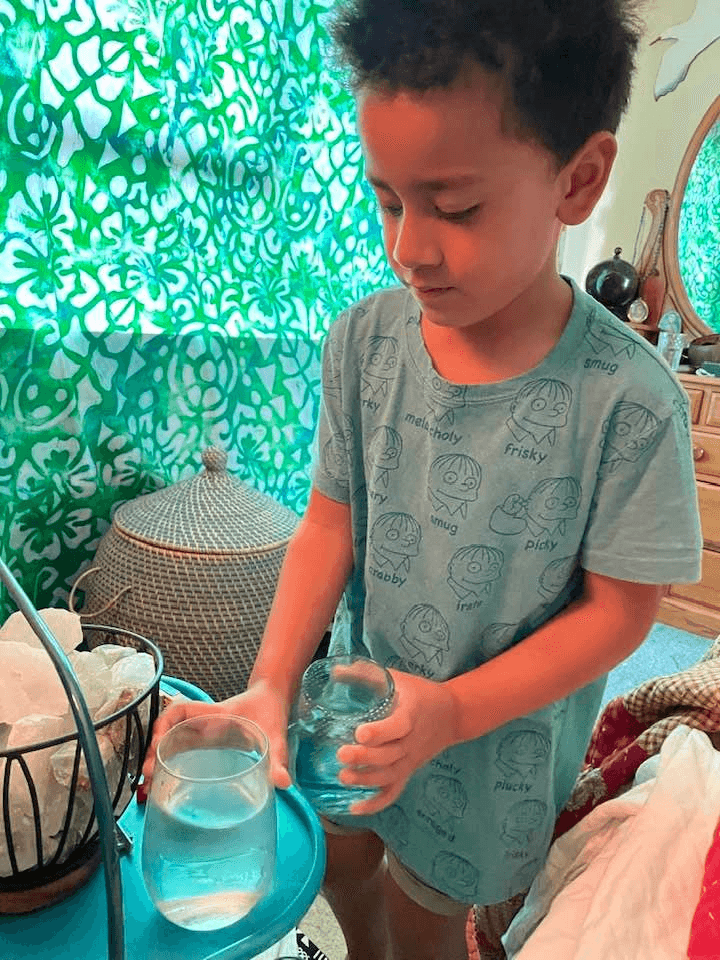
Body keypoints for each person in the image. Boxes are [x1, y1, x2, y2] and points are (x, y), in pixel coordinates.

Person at [141, 1, 703, 957]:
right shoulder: (365, 341)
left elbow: (621, 613)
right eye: (389, 198)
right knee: (346, 854)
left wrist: (451, 711)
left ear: (579, 179)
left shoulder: (630, 398)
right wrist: (271, 682)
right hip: (359, 706)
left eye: (456, 206)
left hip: (494, 754)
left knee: (428, 914)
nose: (409, 245)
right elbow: (329, 524)